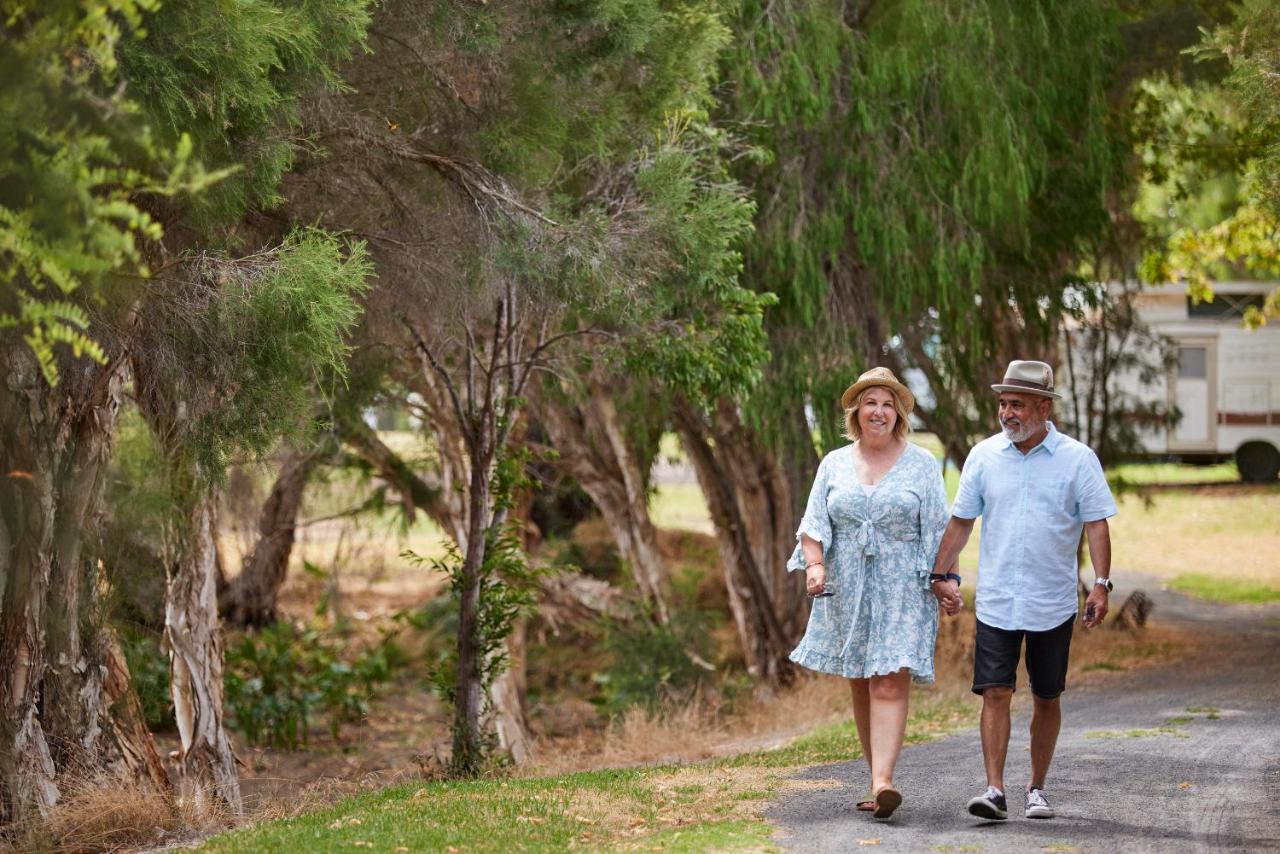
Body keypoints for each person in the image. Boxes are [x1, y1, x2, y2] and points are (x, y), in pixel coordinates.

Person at [930, 359, 1117, 822]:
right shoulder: (983, 456)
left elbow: (1097, 524)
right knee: (995, 692)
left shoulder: (1077, 459)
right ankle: (994, 790)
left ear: (1043, 407)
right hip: (996, 601)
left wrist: (1101, 584)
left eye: (1017, 404)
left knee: (1046, 696)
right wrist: (939, 574)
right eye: (1002, 404)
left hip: (1052, 601)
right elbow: (961, 522)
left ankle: (1037, 788)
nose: (1007, 413)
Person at [788, 366, 951, 820]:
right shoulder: (834, 463)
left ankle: (884, 782)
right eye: (870, 402)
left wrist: (945, 580)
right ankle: (874, 775)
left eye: (887, 403)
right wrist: (815, 566)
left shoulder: (920, 464)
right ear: (856, 410)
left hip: (904, 587)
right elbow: (813, 524)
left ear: (897, 413)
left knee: (888, 677)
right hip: (847, 586)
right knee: (860, 678)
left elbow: (939, 529)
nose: (878, 411)